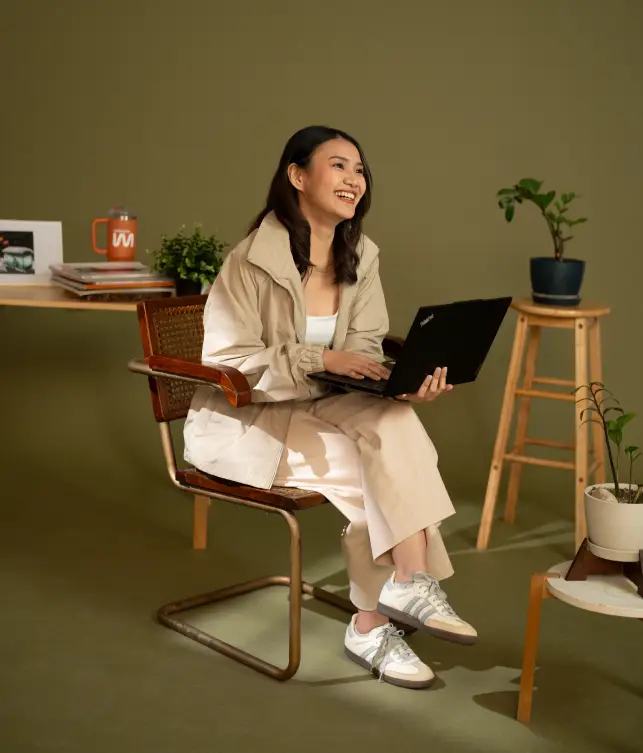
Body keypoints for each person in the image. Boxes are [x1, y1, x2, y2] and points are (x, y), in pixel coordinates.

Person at [183, 125, 476, 690]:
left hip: (327, 408)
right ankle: (377, 617)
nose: (354, 179)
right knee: (381, 478)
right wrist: (322, 356)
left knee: (395, 419)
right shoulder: (248, 262)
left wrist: (397, 384)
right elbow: (229, 362)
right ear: (298, 176)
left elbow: (363, 352)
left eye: (360, 169)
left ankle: (391, 602)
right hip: (248, 421)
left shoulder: (360, 257)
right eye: (339, 165)